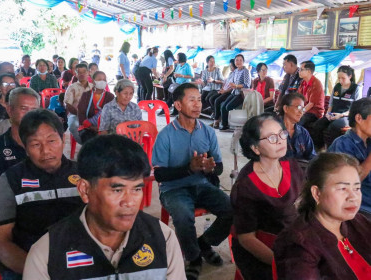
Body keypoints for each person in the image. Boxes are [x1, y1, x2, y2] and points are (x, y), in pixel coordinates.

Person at [23, 134, 186, 279]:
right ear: (85, 190)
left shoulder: (163, 239)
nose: (129, 202)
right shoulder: (47, 254)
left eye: (137, 189)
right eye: (117, 190)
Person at [152, 83, 233, 280]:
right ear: (178, 105)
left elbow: (219, 166)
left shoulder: (207, 132)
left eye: (199, 99)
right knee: (182, 215)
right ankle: (194, 257)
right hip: (174, 189)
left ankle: (204, 243)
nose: (198, 104)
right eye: (191, 99)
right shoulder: (165, 136)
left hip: (202, 185)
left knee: (233, 208)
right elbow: (160, 176)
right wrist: (189, 168)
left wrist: (210, 168)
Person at [0, 109, 84, 279]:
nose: (46, 150)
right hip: (27, 263)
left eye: (52, 141)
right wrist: (41, 273)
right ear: (25, 148)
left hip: (81, 261)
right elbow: (0, 243)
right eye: (35, 144)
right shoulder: (11, 180)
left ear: (63, 140)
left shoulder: (84, 174)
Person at [230, 113, 304, 280]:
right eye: (271, 138)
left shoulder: (291, 166)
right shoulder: (246, 186)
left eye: (282, 134)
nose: (280, 140)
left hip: (292, 240)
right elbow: (247, 238)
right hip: (262, 248)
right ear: (255, 148)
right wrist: (280, 263)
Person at [274, 152, 371, 279]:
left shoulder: (357, 222)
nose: (353, 197)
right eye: (343, 189)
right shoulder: (299, 244)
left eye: (357, 188)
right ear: (317, 193)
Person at [0, 87, 40, 195]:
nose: (29, 114)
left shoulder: (46, 144)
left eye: (33, 110)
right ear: (9, 110)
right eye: (23, 108)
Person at [328, 98, 371, 220]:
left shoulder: (369, 142)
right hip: (360, 206)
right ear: (359, 119)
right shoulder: (342, 145)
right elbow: (349, 183)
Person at [313, 65, 361, 149]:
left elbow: (356, 109)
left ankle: (332, 150)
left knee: (333, 127)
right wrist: (328, 113)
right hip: (333, 114)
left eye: (343, 78)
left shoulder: (356, 88)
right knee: (318, 124)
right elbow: (331, 103)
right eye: (339, 78)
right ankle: (319, 148)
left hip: (347, 116)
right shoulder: (336, 87)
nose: (340, 80)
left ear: (350, 76)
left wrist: (341, 115)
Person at [78, 71, 114, 143]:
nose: (102, 82)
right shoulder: (86, 95)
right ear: (93, 82)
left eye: (104, 80)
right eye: (99, 80)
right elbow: (81, 114)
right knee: (89, 138)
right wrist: (92, 127)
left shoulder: (110, 96)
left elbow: (111, 114)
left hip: (105, 128)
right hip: (88, 127)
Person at [279, 92, 316, 161]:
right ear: (286, 108)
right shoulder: (274, 131)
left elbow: (312, 156)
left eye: (303, 109)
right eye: (298, 107)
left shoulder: (303, 132)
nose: (301, 112)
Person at [219, 54, 251, 131]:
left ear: (243, 62)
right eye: (237, 60)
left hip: (241, 94)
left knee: (228, 107)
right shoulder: (235, 71)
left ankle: (233, 123)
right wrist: (230, 86)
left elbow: (247, 85)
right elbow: (232, 82)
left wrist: (236, 86)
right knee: (223, 106)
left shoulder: (245, 71)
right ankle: (225, 125)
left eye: (240, 60)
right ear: (234, 61)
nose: (238, 62)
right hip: (234, 92)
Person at [64, 63, 93, 144]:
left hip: (92, 115)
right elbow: (68, 105)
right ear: (75, 74)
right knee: (73, 124)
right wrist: (80, 115)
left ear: (88, 73)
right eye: (79, 72)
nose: (82, 74)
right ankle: (85, 145)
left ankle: (97, 145)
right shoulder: (72, 87)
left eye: (84, 72)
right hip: (75, 114)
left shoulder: (93, 87)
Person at [297, 60, 325, 128]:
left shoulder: (316, 83)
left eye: (301, 69)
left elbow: (311, 104)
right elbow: (298, 99)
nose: (299, 71)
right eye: (299, 69)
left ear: (309, 71)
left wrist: (300, 112)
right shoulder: (303, 83)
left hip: (314, 113)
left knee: (297, 120)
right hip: (305, 110)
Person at [211, 59, 236, 128]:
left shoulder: (236, 74)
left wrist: (225, 91)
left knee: (217, 100)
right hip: (224, 90)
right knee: (211, 98)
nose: (230, 67)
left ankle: (216, 120)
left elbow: (233, 87)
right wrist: (222, 89)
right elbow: (226, 82)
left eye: (231, 66)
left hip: (229, 92)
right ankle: (216, 115)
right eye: (230, 66)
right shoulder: (231, 73)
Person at [159, 49, 177, 115]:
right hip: (169, 78)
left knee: (168, 93)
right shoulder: (169, 59)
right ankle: (167, 107)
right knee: (167, 92)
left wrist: (166, 76)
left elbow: (171, 68)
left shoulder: (169, 59)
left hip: (170, 79)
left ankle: (166, 107)